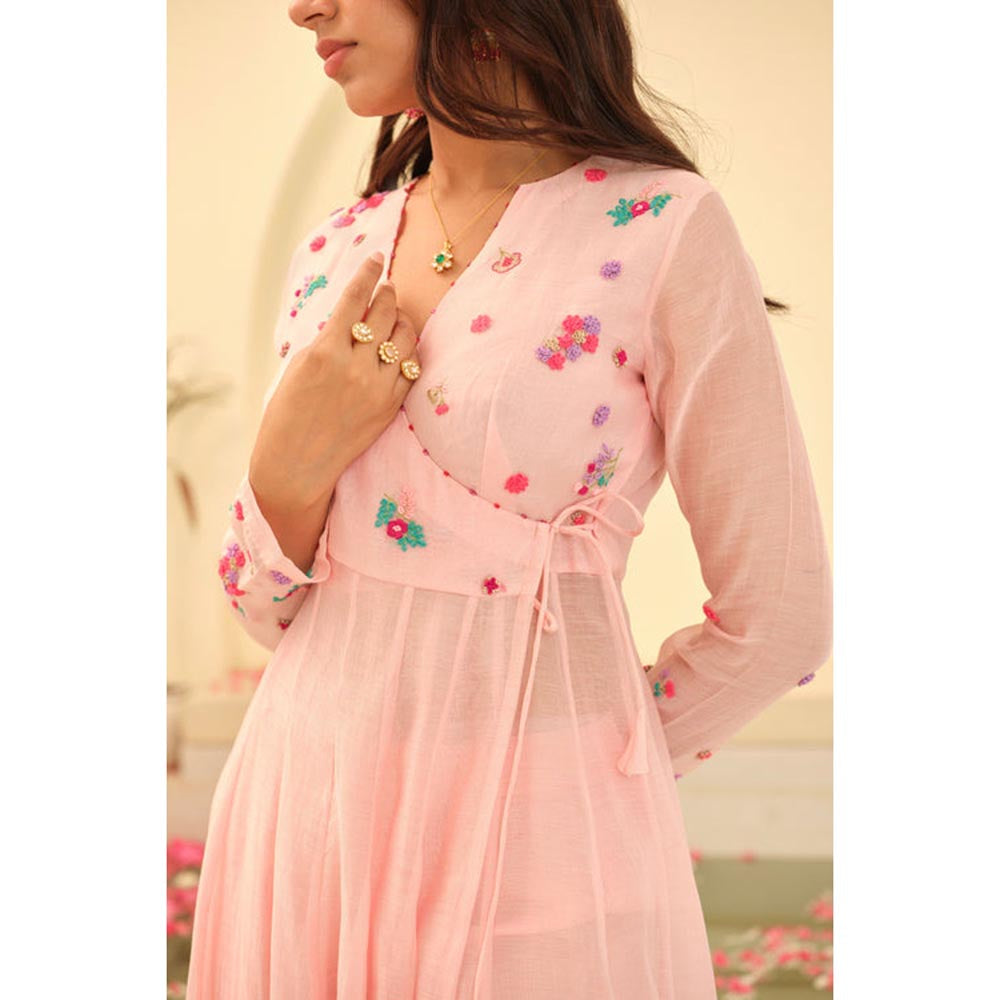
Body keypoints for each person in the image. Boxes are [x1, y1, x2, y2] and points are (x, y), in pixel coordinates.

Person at [186, 1, 833, 997]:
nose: (302, 6)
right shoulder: (336, 248)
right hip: (304, 821)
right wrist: (286, 468)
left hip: (540, 852)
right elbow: (266, 607)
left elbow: (779, 615)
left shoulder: (660, 227)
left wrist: (583, 768)